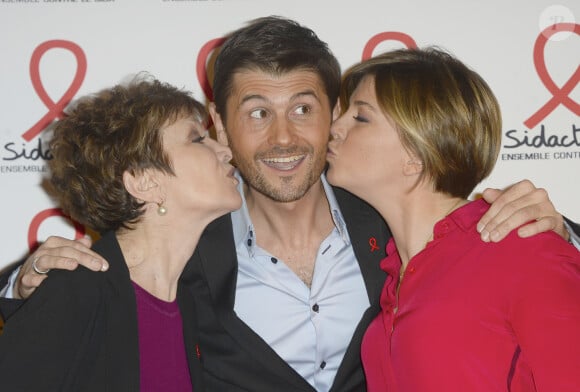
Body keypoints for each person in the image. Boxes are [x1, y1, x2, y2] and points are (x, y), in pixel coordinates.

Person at [1, 16, 579, 392]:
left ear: (333, 114)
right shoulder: (181, 253)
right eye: (257, 113)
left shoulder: (396, 220)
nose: (283, 138)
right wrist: (21, 284)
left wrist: (563, 233)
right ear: (220, 129)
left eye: (304, 109)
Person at [326, 47, 580, 391]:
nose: (334, 127)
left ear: (415, 154)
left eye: (360, 118)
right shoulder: (390, 275)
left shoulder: (520, 250)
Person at [0, 75, 242, 391]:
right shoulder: (80, 287)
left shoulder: (188, 300)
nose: (224, 150)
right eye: (197, 139)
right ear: (145, 182)